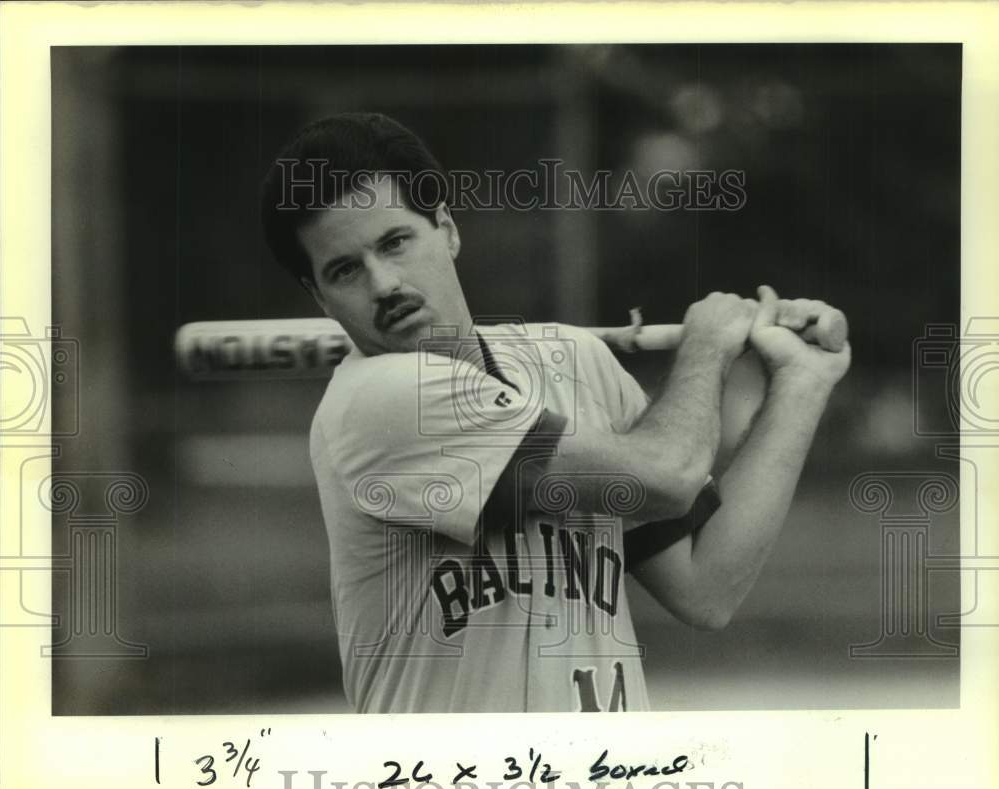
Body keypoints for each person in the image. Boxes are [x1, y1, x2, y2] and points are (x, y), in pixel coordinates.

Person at [260, 112, 851, 713]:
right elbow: (665, 479)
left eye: (395, 242)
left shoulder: (578, 362)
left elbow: (708, 586)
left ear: (447, 229)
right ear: (319, 297)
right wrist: (707, 349)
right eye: (345, 270)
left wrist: (800, 383)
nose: (383, 283)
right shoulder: (380, 402)